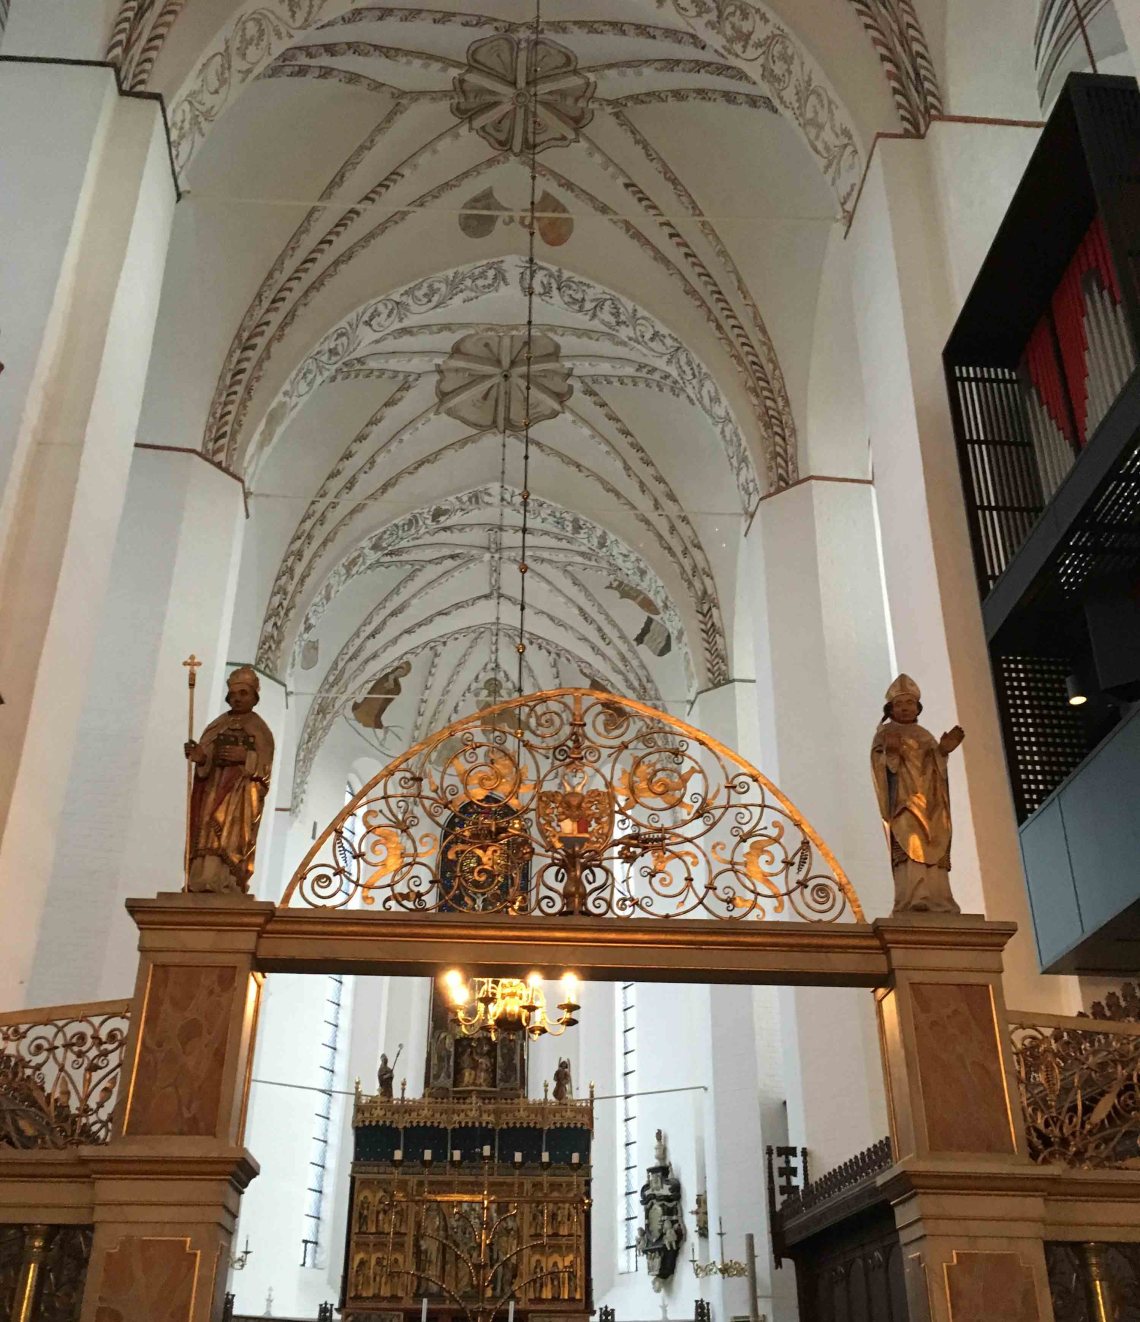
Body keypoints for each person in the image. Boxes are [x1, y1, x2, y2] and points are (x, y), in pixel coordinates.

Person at [870, 674, 964, 915]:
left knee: (935, 844)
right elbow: (879, 766)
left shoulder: (924, 734)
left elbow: (936, 766)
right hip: (903, 800)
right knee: (910, 842)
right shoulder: (885, 733)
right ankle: (914, 896)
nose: (905, 708)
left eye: (909, 703)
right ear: (891, 709)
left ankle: (939, 899)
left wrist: (943, 751)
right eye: (899, 704)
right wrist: (890, 754)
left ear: (917, 707)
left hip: (932, 802)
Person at [184, 666, 274, 893]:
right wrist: (201, 757)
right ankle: (200, 877)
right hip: (213, 788)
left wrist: (245, 757)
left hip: (239, 794)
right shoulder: (218, 725)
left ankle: (226, 879)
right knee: (206, 830)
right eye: (233, 694)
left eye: (243, 693)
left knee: (230, 836)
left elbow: (265, 768)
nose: (237, 699)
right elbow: (205, 757)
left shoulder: (259, 729)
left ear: (254, 697)